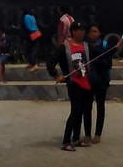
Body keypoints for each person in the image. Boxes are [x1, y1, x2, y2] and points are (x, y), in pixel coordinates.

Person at [48, 21, 93, 151]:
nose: (82, 32)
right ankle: (66, 141)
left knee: (83, 112)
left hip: (87, 83)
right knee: (75, 112)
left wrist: (115, 48)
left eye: (83, 30)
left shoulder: (86, 46)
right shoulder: (64, 47)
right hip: (74, 84)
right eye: (80, 30)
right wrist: (56, 75)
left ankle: (76, 138)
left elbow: (100, 54)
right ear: (73, 31)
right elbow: (50, 62)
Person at [86, 24, 123, 144]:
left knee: (100, 107)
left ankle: (98, 134)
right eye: (92, 31)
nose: (94, 34)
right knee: (87, 108)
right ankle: (87, 134)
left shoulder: (104, 45)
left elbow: (108, 63)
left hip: (101, 80)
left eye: (96, 31)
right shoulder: (85, 46)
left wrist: (101, 61)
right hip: (88, 80)